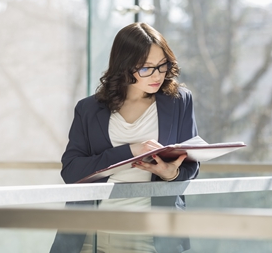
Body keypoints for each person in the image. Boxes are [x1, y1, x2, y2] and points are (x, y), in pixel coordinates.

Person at [50, 22, 200, 253]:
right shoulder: (89, 109)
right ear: (124, 66)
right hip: (92, 233)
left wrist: (173, 174)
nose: (157, 75)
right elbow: (71, 171)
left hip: (153, 236)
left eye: (162, 66)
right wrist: (130, 151)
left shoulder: (179, 101)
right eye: (145, 68)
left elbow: (191, 162)